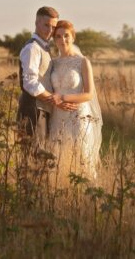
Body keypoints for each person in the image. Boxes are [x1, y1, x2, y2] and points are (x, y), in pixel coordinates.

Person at [48, 20, 103, 180]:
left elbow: (89, 94)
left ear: (73, 37)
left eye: (66, 35)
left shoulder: (82, 62)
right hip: (58, 116)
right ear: (54, 40)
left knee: (81, 158)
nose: (62, 40)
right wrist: (56, 101)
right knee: (59, 159)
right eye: (58, 36)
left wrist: (63, 97)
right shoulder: (53, 63)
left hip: (78, 116)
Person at [17, 6, 76, 143]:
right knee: (32, 158)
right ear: (36, 23)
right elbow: (30, 83)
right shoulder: (32, 48)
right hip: (32, 110)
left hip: (41, 110)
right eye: (46, 25)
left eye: (53, 27)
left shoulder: (44, 47)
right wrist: (55, 100)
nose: (50, 30)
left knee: (39, 157)